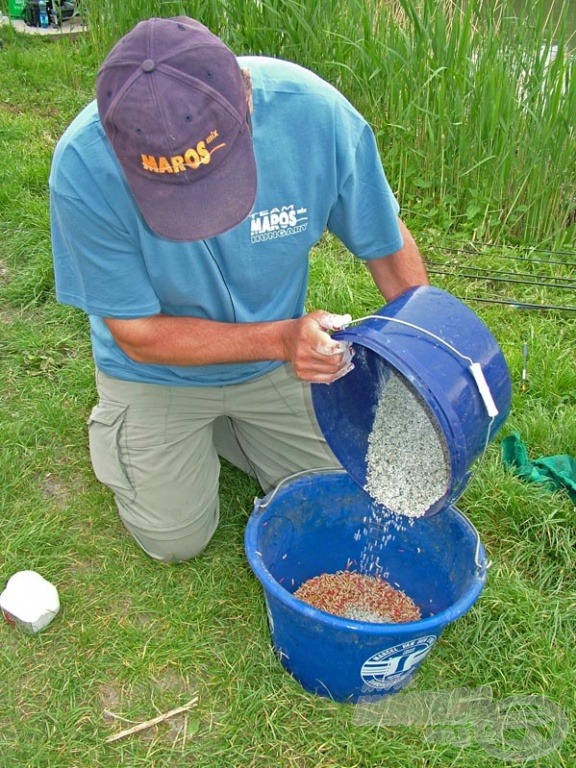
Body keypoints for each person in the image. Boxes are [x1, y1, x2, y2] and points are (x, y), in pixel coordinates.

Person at [49, 16, 429, 563]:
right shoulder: (84, 165)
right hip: (155, 370)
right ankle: (141, 428)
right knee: (176, 541)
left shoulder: (314, 115)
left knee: (340, 497)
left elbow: (388, 249)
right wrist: (280, 339)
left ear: (246, 97)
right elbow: (135, 334)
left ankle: (232, 427)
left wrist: (425, 363)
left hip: (272, 366)